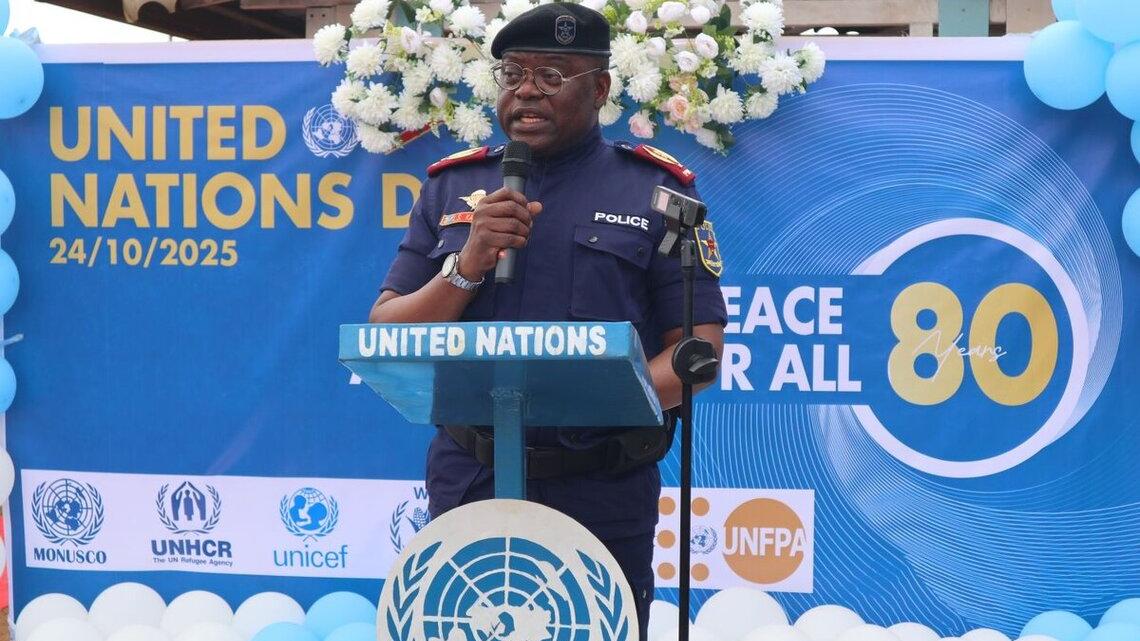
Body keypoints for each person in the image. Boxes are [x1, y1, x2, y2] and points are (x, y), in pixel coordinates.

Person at [369, 3, 727, 637]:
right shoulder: (452, 188)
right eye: (513, 74)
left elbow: (698, 350)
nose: (527, 91)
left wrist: (601, 398)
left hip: (601, 486)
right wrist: (468, 264)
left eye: (551, 75)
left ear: (600, 88)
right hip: (472, 479)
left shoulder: (658, 194)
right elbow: (388, 331)